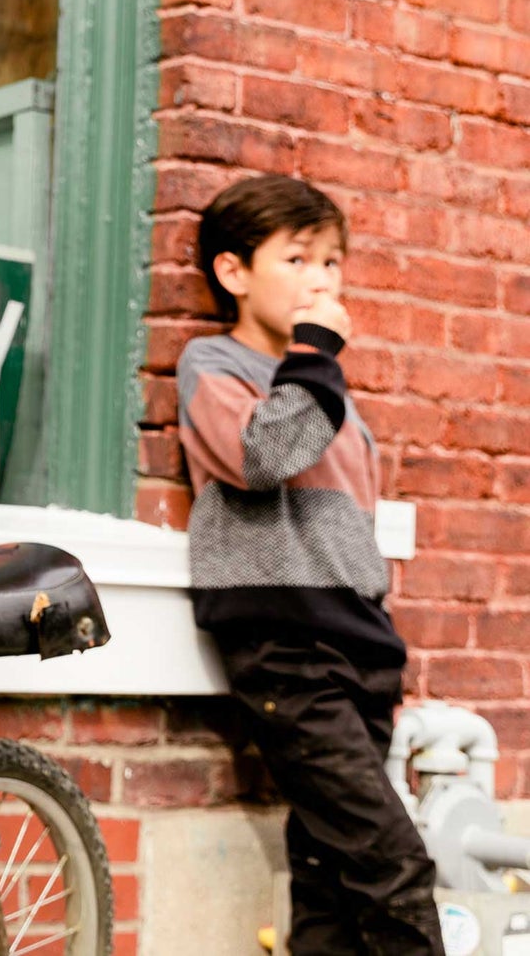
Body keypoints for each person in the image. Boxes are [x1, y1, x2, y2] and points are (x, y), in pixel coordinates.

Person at [179, 174, 443, 955]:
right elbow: (265, 455)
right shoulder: (214, 363)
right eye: (297, 258)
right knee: (392, 860)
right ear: (232, 272)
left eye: (331, 260)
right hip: (288, 648)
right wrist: (316, 352)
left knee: (331, 869)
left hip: (356, 642)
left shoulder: (317, 382)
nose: (322, 278)